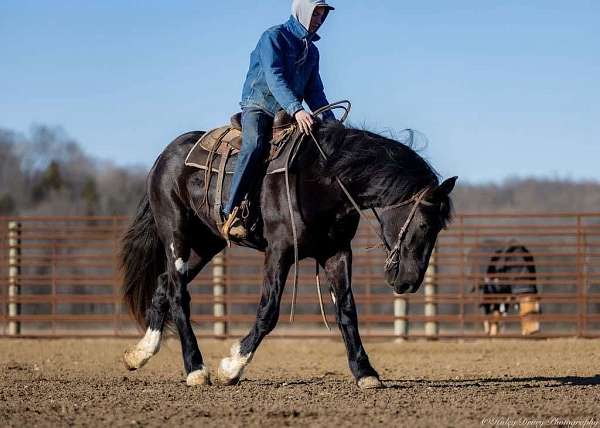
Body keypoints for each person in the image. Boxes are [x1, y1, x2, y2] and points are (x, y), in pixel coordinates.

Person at [222, 0, 337, 239]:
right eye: (315, 13)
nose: (318, 19)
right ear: (302, 11)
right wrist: (296, 109)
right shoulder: (273, 37)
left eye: (322, 14)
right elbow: (275, 77)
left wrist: (333, 123)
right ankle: (230, 210)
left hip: (287, 112)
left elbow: (314, 91)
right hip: (259, 105)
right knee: (255, 146)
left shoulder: (312, 51)